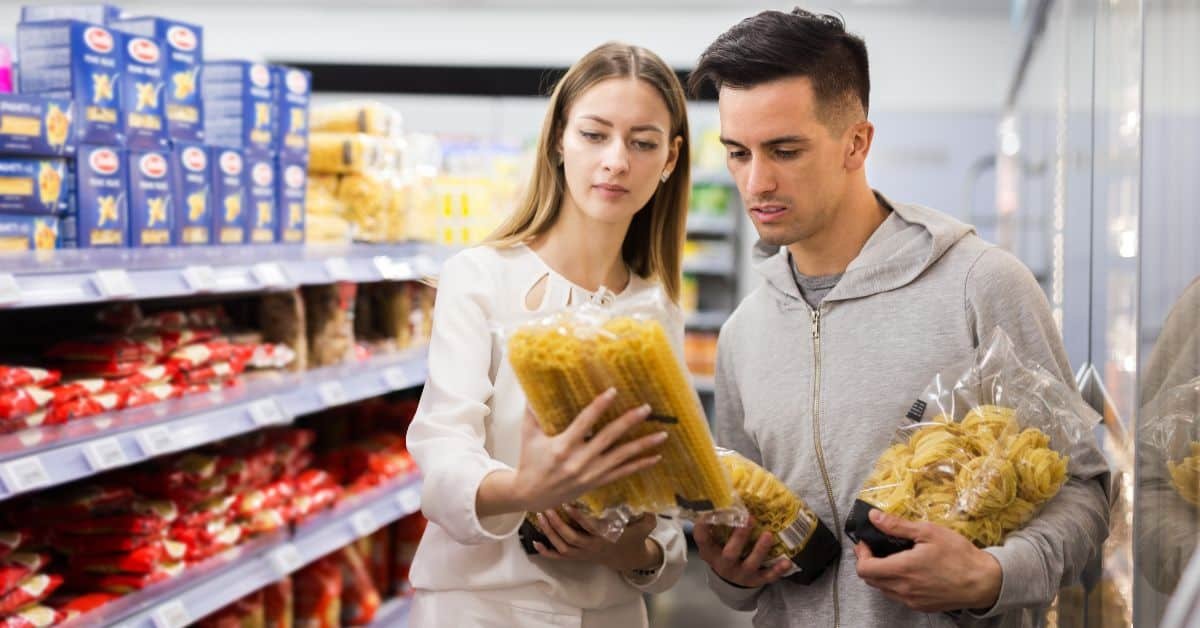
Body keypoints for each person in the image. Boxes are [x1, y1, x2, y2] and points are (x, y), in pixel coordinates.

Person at [686, 8, 1110, 627]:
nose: (757, 181)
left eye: (785, 150)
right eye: (737, 152)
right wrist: (729, 573)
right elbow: (744, 563)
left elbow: (1085, 492)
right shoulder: (742, 333)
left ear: (856, 142)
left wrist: (992, 576)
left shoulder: (979, 283)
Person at [405, 42, 691, 628]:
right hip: (480, 609)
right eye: (594, 134)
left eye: (643, 142)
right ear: (559, 138)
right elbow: (442, 461)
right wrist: (523, 488)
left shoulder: (656, 309)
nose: (616, 161)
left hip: (612, 612)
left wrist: (631, 549)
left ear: (670, 158)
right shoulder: (480, 277)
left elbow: (664, 524)